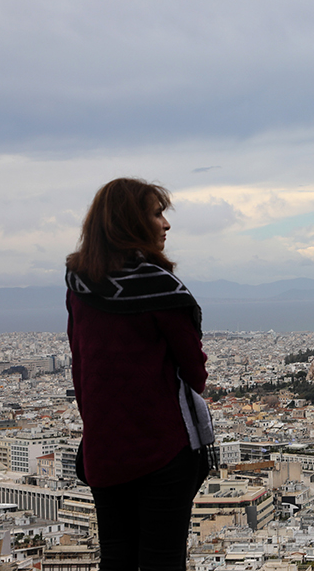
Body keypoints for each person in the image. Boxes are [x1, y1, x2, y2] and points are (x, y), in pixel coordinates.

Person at [65, 178, 210, 571]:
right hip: (162, 451)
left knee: (116, 559)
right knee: (162, 562)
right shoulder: (161, 291)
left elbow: (82, 362)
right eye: (157, 213)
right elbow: (195, 374)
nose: (165, 224)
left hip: (103, 451)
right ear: (130, 222)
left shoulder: (79, 287)